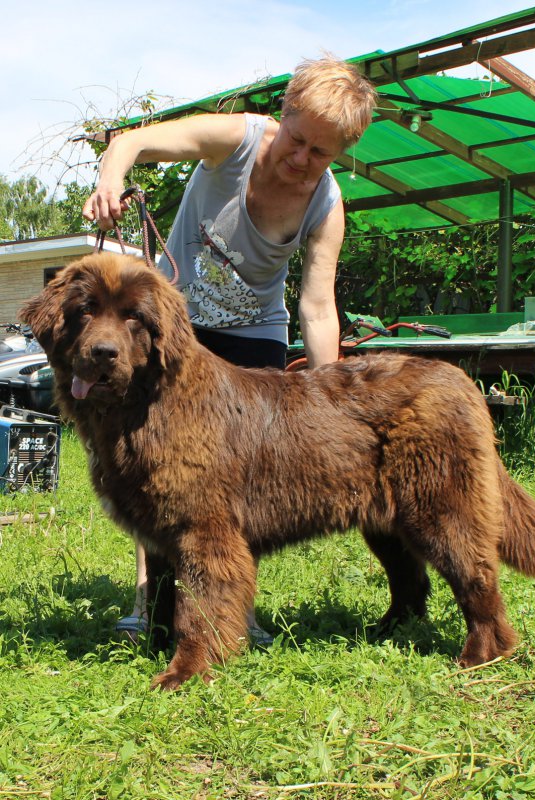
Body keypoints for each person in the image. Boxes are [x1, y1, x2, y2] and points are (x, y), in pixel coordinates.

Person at [83, 54, 376, 643]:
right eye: (296, 140)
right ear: (283, 114)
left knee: (243, 479)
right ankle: (151, 599)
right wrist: (111, 181)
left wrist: (335, 395)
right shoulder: (236, 140)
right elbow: (131, 142)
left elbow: (318, 306)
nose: (301, 159)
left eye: (320, 153)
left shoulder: (325, 205)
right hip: (180, 328)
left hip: (254, 335)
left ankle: (233, 608)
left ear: (340, 153)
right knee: (154, 461)